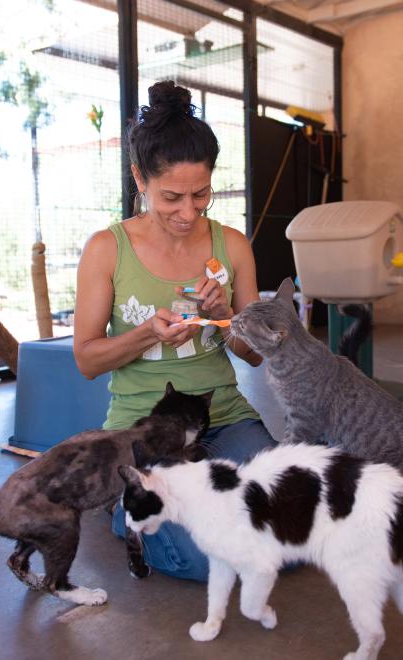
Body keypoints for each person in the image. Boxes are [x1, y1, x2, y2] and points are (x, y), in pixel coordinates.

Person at [73, 80, 276, 581]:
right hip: (144, 431)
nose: (189, 212)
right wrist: (146, 335)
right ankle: (126, 504)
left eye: (201, 194)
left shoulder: (232, 245)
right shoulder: (107, 248)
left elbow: (255, 355)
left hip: (223, 419)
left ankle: (156, 504)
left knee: (285, 515)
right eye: (172, 197)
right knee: (204, 558)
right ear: (139, 178)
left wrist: (227, 315)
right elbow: (86, 359)